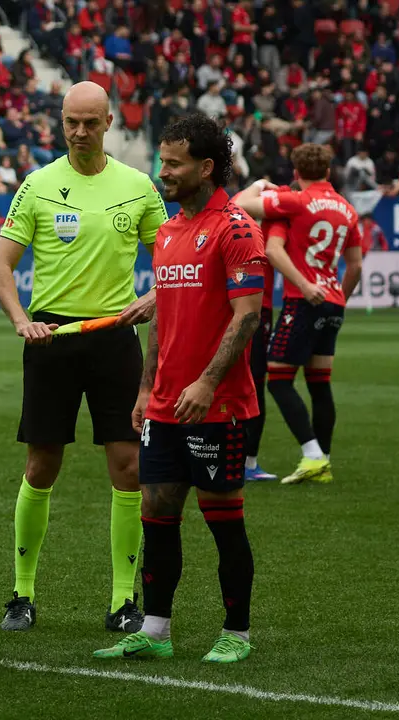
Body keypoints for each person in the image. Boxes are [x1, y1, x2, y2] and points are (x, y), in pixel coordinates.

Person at [0, 81, 167, 634]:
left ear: (110, 121)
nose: (81, 132)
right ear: (59, 122)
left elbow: (174, 260)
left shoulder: (138, 187)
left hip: (115, 336)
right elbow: (1, 269)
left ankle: (122, 599)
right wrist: (22, 321)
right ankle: (22, 594)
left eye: (91, 122)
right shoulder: (38, 185)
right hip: (53, 339)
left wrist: (157, 293)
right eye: (71, 122)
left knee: (128, 468)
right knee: (41, 465)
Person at [93, 111, 266, 664]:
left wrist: (207, 382)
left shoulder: (237, 228)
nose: (161, 172)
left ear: (207, 167)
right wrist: (147, 390)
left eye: (173, 163)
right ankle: (156, 630)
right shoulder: (167, 231)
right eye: (161, 161)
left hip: (218, 405)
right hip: (166, 404)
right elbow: (163, 319)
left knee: (223, 518)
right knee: (157, 510)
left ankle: (235, 632)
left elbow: (247, 317)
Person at [233, 144, 364, 484]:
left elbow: (240, 207)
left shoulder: (296, 202)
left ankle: (312, 455)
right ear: (329, 171)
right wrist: (341, 299)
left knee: (277, 379)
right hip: (332, 298)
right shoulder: (348, 209)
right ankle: (324, 461)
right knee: (320, 384)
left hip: (304, 299)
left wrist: (262, 185)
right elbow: (356, 265)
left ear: (295, 173)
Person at [243, 183, 293, 482]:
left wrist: (258, 185)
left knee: (251, 384)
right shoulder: (253, 220)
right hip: (250, 309)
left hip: (253, 309)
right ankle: (244, 462)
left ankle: (246, 462)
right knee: (249, 384)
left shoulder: (265, 220)